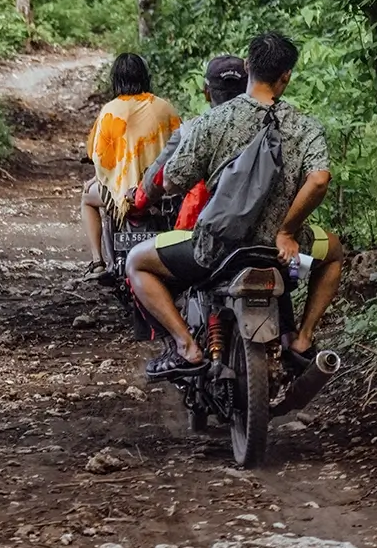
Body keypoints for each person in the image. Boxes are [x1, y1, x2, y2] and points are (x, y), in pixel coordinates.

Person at [126, 32, 343, 382]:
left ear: (247, 67)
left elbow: (170, 181)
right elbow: (319, 179)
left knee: (137, 261)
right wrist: (287, 231)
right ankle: (302, 341)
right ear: (286, 76)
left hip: (214, 249)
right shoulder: (305, 126)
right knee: (334, 252)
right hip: (279, 251)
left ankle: (186, 347)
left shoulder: (212, 121)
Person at [81, 53, 180, 276]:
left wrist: (97, 179)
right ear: (146, 77)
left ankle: (97, 262)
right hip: (159, 193)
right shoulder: (165, 108)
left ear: (115, 79)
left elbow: (99, 158)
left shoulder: (109, 111)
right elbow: (182, 146)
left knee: (87, 198)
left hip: (121, 196)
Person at [135, 54, 249, 229]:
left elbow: (158, 179)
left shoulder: (191, 129)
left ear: (206, 92)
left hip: (204, 233)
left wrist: (141, 198)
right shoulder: (269, 124)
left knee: (137, 257)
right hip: (261, 232)